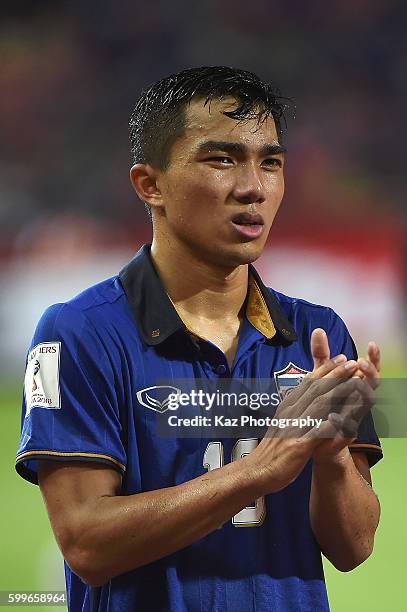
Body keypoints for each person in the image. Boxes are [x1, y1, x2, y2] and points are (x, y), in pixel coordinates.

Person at [16, 66, 382, 612]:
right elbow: (87, 543)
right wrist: (262, 468)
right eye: (221, 159)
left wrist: (330, 462)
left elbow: (353, 548)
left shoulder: (316, 334)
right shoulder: (80, 332)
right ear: (151, 184)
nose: (253, 187)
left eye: (271, 163)